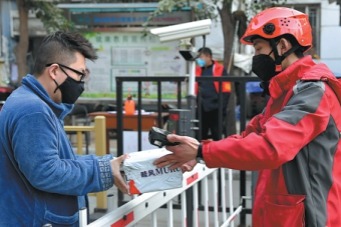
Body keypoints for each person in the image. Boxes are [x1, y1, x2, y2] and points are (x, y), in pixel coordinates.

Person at [155, 7, 341, 227]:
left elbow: (269, 147)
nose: (255, 58)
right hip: (286, 214)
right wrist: (199, 151)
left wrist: (201, 151)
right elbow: (249, 136)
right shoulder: (286, 91)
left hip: (310, 217)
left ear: (283, 45)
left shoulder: (313, 92)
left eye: (259, 49)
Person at [0, 31, 128, 226]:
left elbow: (56, 162)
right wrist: (103, 171)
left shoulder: (31, 102)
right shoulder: (34, 110)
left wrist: (104, 165)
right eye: (79, 74)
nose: (81, 82)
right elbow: (47, 172)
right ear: (54, 71)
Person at [195, 47, 231, 140]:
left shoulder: (220, 69)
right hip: (201, 107)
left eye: (200, 57)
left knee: (217, 135)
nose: (199, 60)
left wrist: (221, 107)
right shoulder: (198, 70)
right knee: (200, 136)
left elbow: (226, 90)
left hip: (216, 108)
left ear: (208, 56)